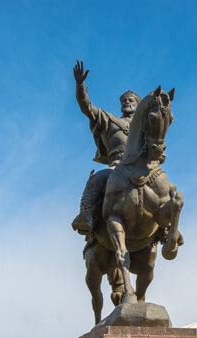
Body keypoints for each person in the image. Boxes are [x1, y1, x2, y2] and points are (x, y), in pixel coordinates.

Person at [71, 60, 140, 235]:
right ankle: (85, 215)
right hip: (116, 166)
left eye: (131, 100)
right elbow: (86, 107)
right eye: (124, 101)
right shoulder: (108, 120)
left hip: (141, 166)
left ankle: (167, 225)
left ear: (138, 105)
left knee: (165, 187)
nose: (126, 102)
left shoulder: (144, 127)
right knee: (96, 179)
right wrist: (80, 85)